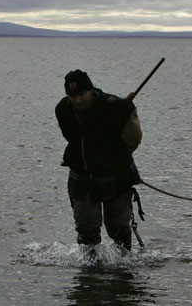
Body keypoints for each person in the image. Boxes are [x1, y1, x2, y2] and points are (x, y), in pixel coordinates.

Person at [55, 69, 142, 251]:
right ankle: (89, 275)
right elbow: (71, 137)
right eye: (72, 96)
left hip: (116, 176)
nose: (77, 100)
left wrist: (112, 158)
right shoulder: (63, 109)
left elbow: (134, 139)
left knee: (119, 228)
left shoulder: (119, 108)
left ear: (91, 90)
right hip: (82, 177)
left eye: (81, 94)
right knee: (86, 231)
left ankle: (124, 266)